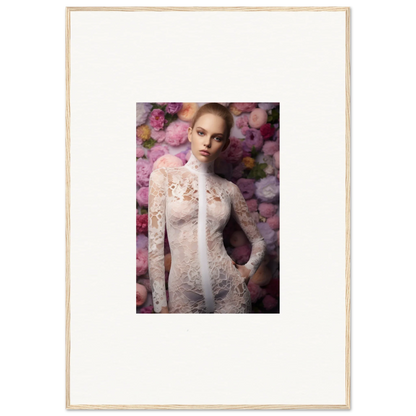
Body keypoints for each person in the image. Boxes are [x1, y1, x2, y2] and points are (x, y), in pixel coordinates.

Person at [147, 103, 267, 313]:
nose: (208, 143)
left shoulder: (229, 189)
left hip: (230, 291)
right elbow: (155, 250)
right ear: (190, 133)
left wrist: (248, 270)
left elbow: (259, 241)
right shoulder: (163, 178)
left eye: (217, 137)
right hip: (184, 293)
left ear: (225, 143)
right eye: (202, 133)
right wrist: (160, 306)